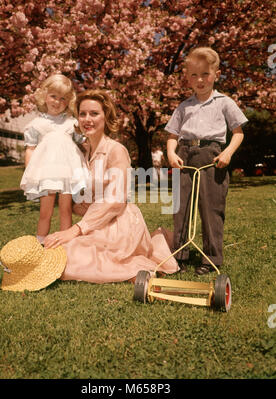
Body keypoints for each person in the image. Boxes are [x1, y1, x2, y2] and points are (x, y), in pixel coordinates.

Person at [44, 89, 179, 283]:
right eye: (82, 114)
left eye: (94, 113)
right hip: (93, 223)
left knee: (72, 261)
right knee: (60, 254)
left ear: (106, 117)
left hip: (119, 223)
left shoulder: (116, 151)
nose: (87, 119)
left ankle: (142, 264)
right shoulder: (80, 151)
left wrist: (76, 229)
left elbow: (115, 200)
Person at [165, 47, 248, 275]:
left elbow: (238, 132)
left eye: (205, 74)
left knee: (211, 209)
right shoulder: (184, 106)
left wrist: (228, 152)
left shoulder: (224, 102)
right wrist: (172, 154)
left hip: (212, 158)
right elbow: (172, 136)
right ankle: (180, 256)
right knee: (180, 208)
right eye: (194, 75)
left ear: (216, 74)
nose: (199, 80)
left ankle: (211, 258)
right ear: (187, 77)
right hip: (185, 157)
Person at [20, 74, 88, 244]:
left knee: (65, 210)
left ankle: (65, 245)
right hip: (46, 174)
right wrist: (30, 174)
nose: (57, 102)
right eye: (53, 96)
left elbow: (85, 143)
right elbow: (30, 149)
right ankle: (40, 244)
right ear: (44, 95)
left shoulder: (72, 123)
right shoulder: (36, 124)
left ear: (69, 101)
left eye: (63, 98)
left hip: (67, 173)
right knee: (45, 212)